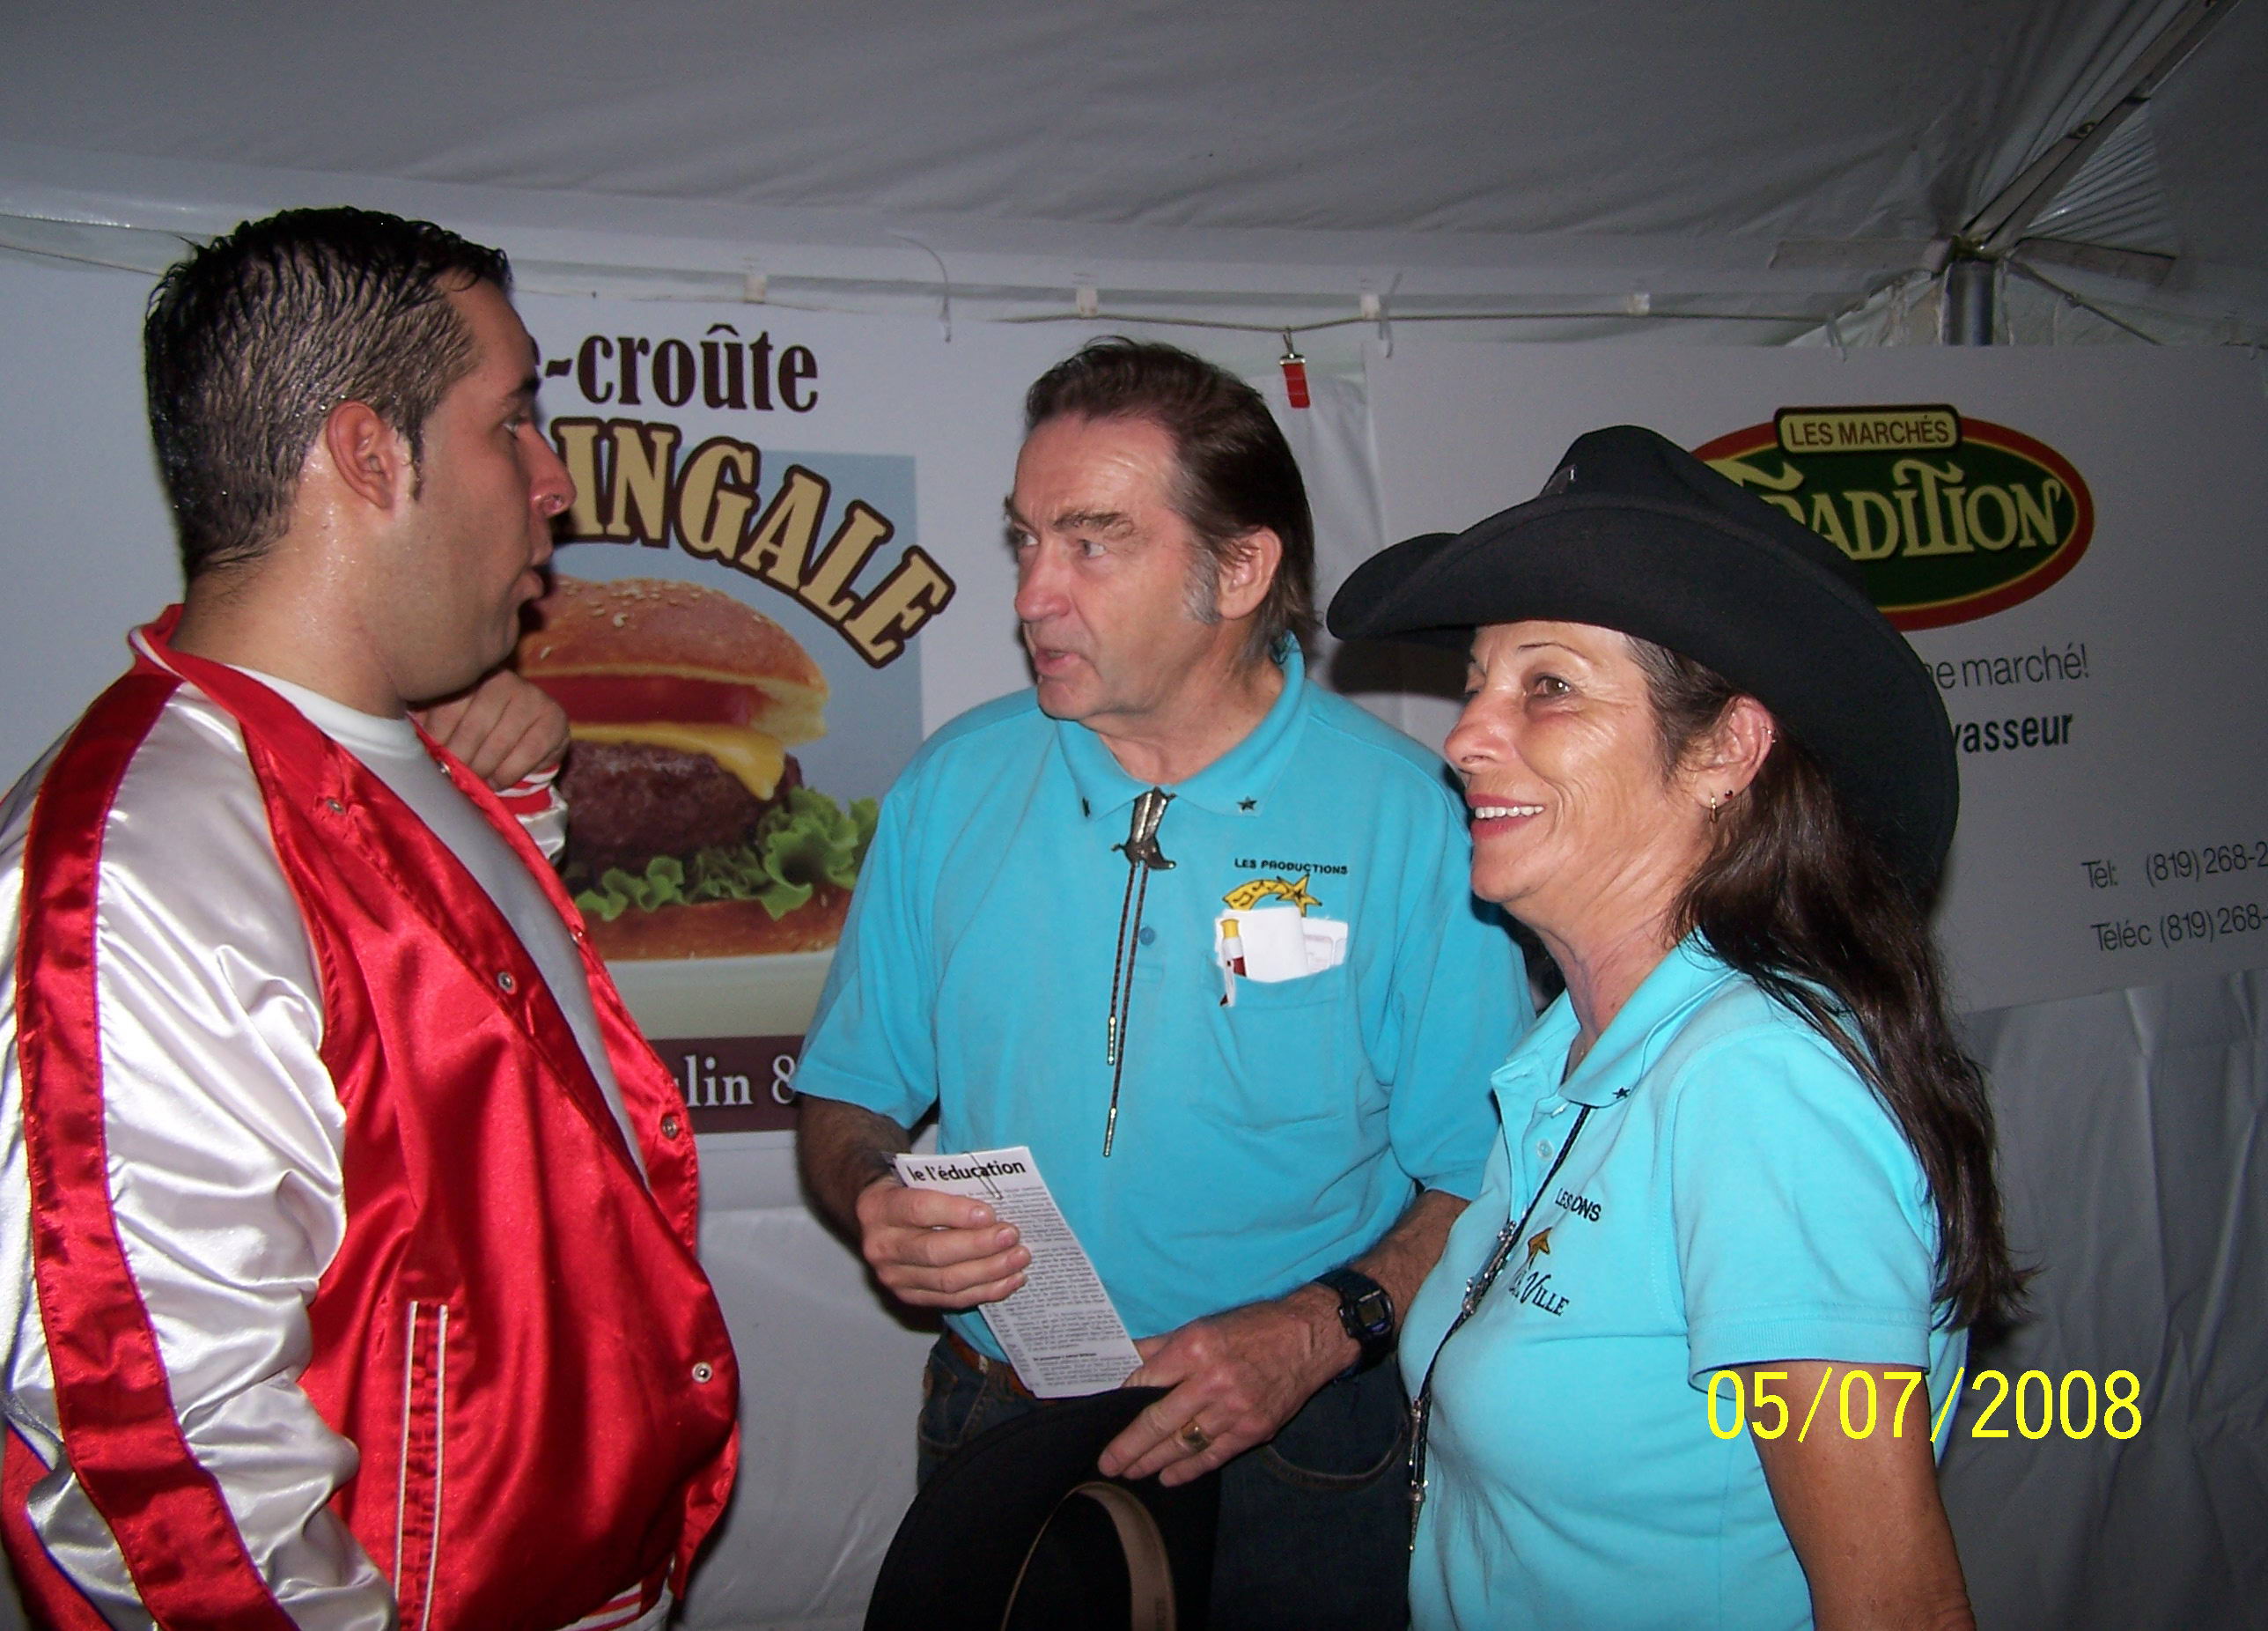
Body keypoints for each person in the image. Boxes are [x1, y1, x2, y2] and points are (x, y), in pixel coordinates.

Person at [0, 208, 738, 1629]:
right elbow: (165, 1459)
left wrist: (509, 803)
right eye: (510, 421)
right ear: (368, 454)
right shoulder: (144, 861)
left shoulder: (404, 764)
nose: (554, 479)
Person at [796, 339, 1524, 1627]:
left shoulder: (1411, 817)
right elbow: (847, 1095)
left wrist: (1315, 1331)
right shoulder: (952, 787)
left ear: (1239, 570)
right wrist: (869, 1197)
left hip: (1291, 1430)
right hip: (1003, 1405)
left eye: (1092, 544)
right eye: (1027, 540)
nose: (1033, 594)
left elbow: (1489, 1180)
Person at [1327, 424, 2025, 1631]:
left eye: (1547, 686)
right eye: (1478, 682)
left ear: (1725, 750)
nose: (1465, 735)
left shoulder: (1759, 1084)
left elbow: (1896, 1603)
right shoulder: (1575, 1062)